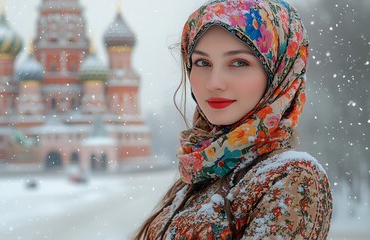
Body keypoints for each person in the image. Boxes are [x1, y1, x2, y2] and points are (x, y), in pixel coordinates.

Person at [135, 0, 332, 239]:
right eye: (202, 63)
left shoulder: (292, 178)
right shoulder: (201, 167)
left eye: (239, 62)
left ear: (279, 74)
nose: (214, 82)